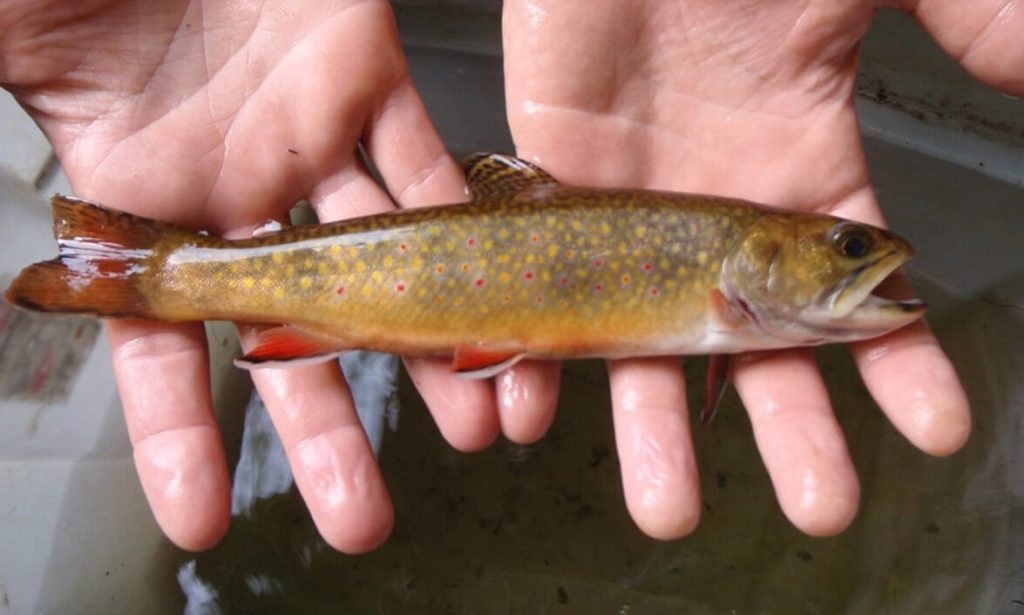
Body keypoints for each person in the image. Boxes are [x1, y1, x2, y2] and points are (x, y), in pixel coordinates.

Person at [0, 0, 1017, 553]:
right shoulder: (718, 267)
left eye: (847, 252)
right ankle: (159, 273)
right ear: (759, 259)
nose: (869, 259)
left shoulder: (731, 280)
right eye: (843, 250)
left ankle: (162, 273)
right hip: (382, 272)